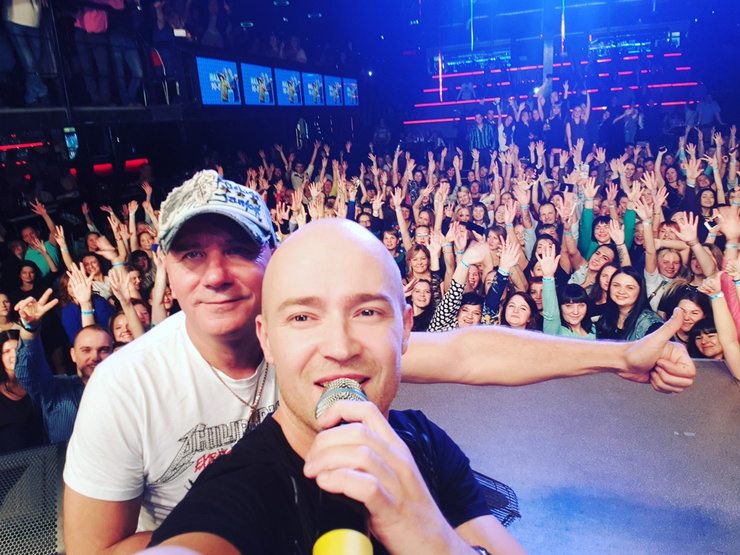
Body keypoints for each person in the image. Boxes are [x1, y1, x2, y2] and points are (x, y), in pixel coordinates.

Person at [64, 170, 695, 554]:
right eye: (191, 255)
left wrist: (619, 355)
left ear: (271, 261)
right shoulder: (126, 387)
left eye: (236, 250)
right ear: (166, 269)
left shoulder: (397, 418)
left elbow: (468, 350)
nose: (215, 275)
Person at [145, 218, 525, 554]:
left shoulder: (424, 442)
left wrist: (435, 543)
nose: (340, 348)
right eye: (302, 317)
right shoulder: (237, 489)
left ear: (406, 328)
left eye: (367, 312)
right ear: (267, 340)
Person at [14, 289, 113, 443]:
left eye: (104, 350)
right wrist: (30, 329)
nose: (95, 357)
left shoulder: (123, 389)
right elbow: (28, 373)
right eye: (86, 350)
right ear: (73, 354)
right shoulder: (56, 389)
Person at [0, 329, 45, 453]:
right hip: (10, 462)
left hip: (43, 456)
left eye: (17, 348)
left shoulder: (38, 384)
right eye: (7, 351)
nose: (14, 355)